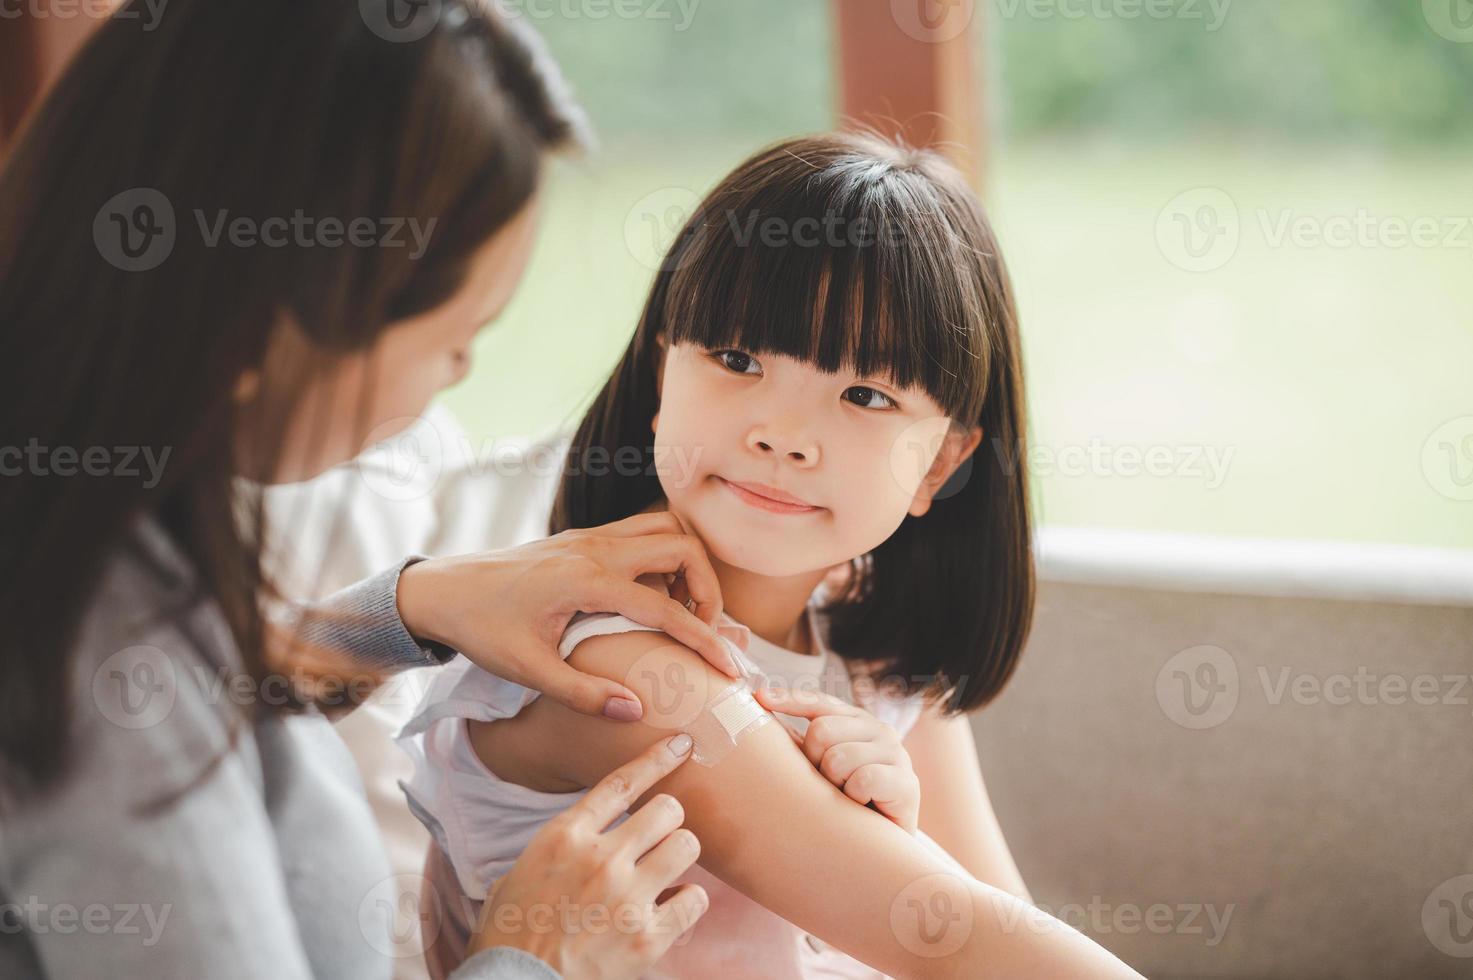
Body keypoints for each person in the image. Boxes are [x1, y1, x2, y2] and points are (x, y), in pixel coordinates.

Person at [0, 1, 746, 977]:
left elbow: (202, 675)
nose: (460, 372)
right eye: (453, 336)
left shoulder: (87, 539)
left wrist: (411, 606)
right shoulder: (93, 656)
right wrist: (535, 954)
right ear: (274, 322)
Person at [400, 133, 1145, 978]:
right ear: (659, 382)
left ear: (939, 461)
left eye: (864, 394)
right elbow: (963, 940)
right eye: (736, 358)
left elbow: (1000, 919)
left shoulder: (879, 646)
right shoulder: (619, 664)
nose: (782, 436)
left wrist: (897, 828)